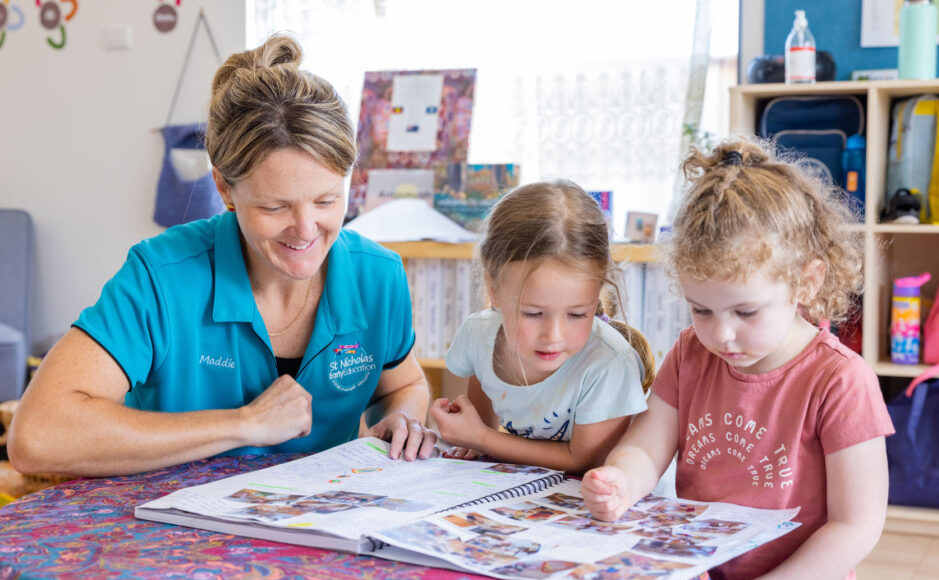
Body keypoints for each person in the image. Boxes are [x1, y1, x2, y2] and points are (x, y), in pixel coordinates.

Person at [8, 34, 436, 478]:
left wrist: (403, 415)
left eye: (326, 201)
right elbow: (37, 437)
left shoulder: (378, 276)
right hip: (171, 531)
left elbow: (402, 384)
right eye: (275, 207)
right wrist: (244, 424)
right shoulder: (161, 276)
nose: (307, 230)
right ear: (224, 188)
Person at [581, 139, 894, 580]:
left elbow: (856, 526)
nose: (721, 335)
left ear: (807, 282)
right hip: (695, 578)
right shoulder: (691, 352)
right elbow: (647, 449)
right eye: (701, 310)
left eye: (746, 313)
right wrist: (621, 481)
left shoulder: (840, 380)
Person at [428, 180, 653, 474]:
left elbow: (583, 460)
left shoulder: (609, 363)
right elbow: (478, 429)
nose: (553, 336)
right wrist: (467, 434)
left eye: (576, 315)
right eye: (533, 313)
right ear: (493, 288)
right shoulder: (479, 336)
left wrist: (480, 438)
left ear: (597, 294)